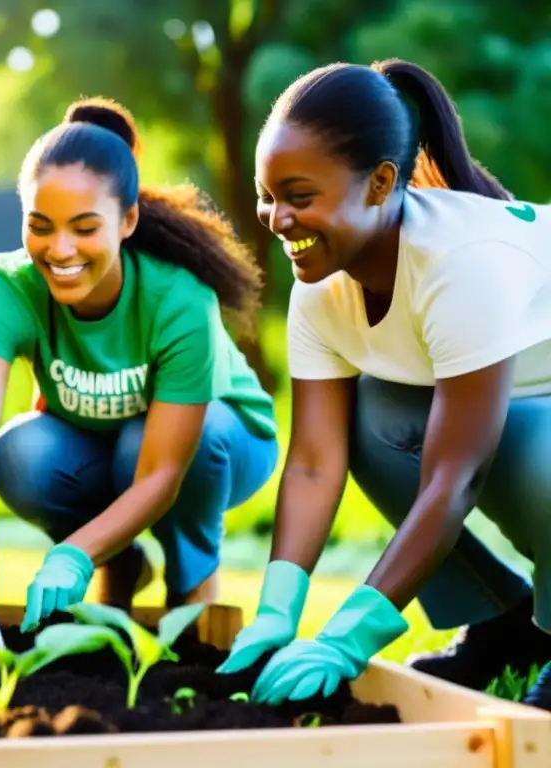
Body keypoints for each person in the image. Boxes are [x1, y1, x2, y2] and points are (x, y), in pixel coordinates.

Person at [215, 58, 551, 709]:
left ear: (379, 184)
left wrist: (349, 637)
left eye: (300, 196)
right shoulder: (323, 284)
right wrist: (277, 612)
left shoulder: (460, 267)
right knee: (372, 420)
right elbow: (315, 463)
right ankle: (502, 624)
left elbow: (457, 478)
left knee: (542, 461)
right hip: (527, 393)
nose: (277, 218)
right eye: (268, 194)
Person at [0, 97, 279, 631]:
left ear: (127, 221)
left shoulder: (178, 297)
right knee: (20, 453)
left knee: (144, 445)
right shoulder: (8, 287)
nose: (60, 248)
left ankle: (193, 586)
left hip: (223, 439)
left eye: (84, 227)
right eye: (41, 225)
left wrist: (71, 554)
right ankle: (118, 563)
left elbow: (162, 471)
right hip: (106, 443)